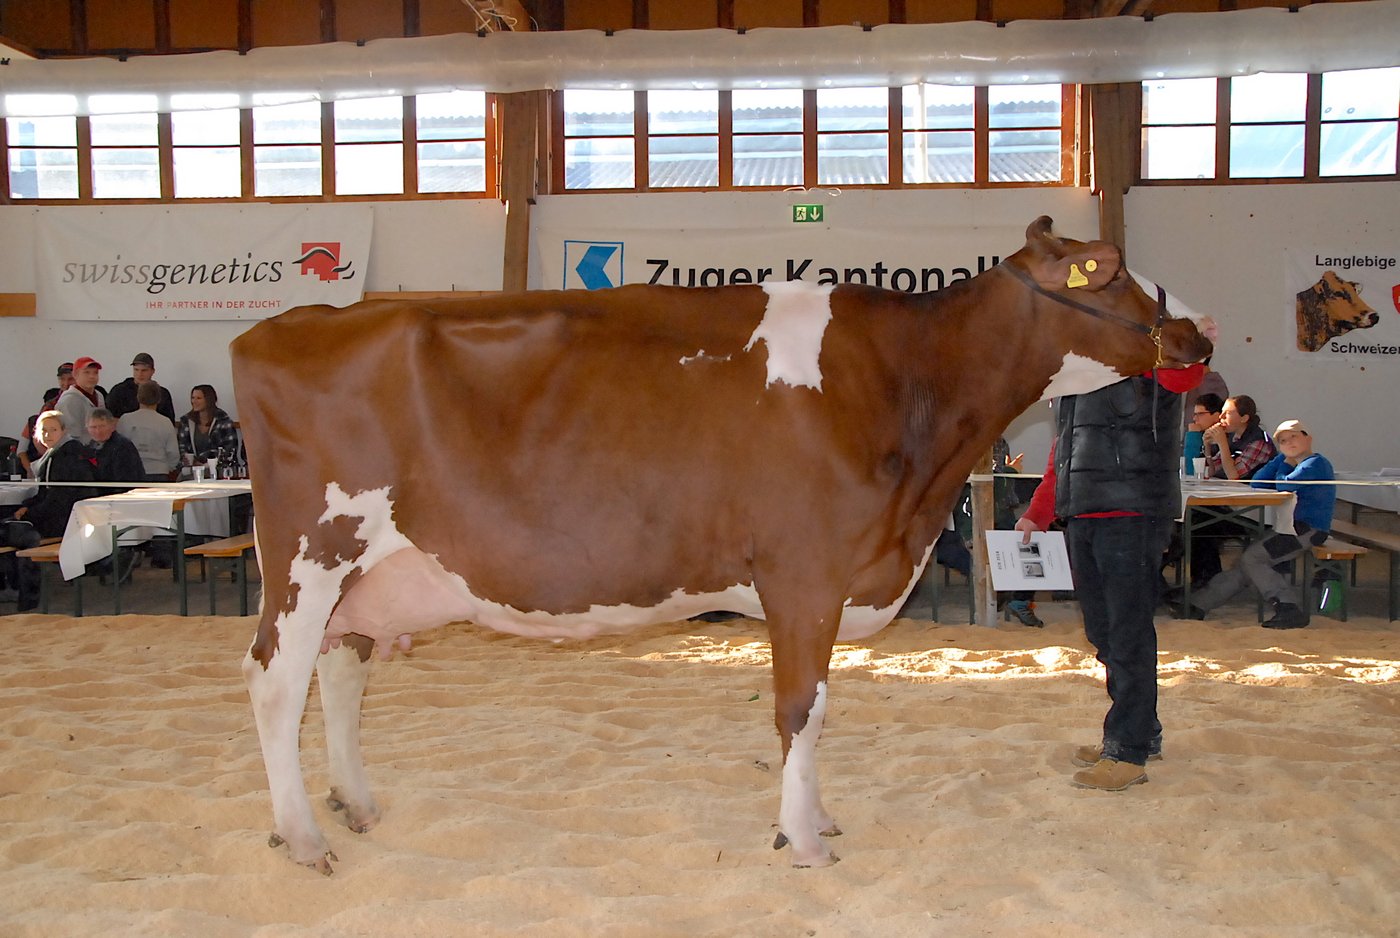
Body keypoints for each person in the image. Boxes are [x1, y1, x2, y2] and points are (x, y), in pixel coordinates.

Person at [1016, 358, 1209, 791]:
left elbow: (1188, 371)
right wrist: (1038, 512)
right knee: (1103, 632)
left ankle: (1127, 748)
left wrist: (1145, 352)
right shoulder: (1074, 388)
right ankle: (1144, 729)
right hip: (1083, 513)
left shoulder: (1149, 370)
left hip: (1133, 514)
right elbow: (1064, 454)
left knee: (1128, 634)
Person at [1175, 420, 1335, 630]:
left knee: (1253, 558)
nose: (1289, 443)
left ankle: (1289, 606)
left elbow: (1285, 484)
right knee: (1247, 562)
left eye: (1294, 436)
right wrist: (1280, 460)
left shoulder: (1315, 463)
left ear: (1308, 438)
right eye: (1283, 441)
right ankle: (1197, 605)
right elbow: (1258, 481)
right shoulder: (1286, 461)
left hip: (1307, 529)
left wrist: (1285, 463)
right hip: (1287, 527)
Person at [11, 411, 96, 611]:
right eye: (44, 430)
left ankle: (25, 596)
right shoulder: (53, 454)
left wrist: (30, 513)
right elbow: (47, 494)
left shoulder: (66, 456)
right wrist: (28, 506)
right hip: (59, 513)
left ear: (63, 431)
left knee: (22, 536)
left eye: (53, 430)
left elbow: (60, 499)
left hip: (66, 519)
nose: (48, 435)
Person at [118, 382, 181, 482]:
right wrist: (169, 468)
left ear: (138, 397)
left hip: (132, 471)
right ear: (159, 399)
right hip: (159, 471)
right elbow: (173, 453)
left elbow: (119, 448)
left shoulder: (125, 419)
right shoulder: (165, 422)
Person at [1202, 394, 1275, 481]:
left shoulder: (1259, 442)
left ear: (1244, 418)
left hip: (1254, 492)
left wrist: (1222, 443)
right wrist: (1207, 446)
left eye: (1228, 413)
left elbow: (1233, 477)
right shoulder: (1233, 436)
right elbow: (1212, 472)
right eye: (1222, 412)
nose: (1221, 417)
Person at [105, 352, 178, 423]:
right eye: (136, 370)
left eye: (144, 370)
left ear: (152, 371)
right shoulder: (119, 391)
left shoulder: (162, 393)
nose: (139, 374)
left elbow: (169, 422)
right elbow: (108, 418)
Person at [177, 384, 239, 466]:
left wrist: (207, 463)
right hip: (193, 469)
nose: (194, 401)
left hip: (219, 468)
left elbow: (230, 449)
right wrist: (193, 462)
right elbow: (181, 447)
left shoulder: (223, 420)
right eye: (193, 398)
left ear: (209, 400)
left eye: (198, 398)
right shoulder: (186, 421)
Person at [86, 408, 146, 490]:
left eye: (102, 426)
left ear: (112, 426)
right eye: (93, 427)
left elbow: (126, 480)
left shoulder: (123, 446)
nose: (98, 431)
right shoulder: (90, 447)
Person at [56, 356, 106, 446]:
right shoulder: (69, 400)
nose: (92, 376)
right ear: (75, 375)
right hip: (77, 452)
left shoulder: (99, 396)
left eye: (95, 373)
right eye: (86, 372)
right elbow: (72, 435)